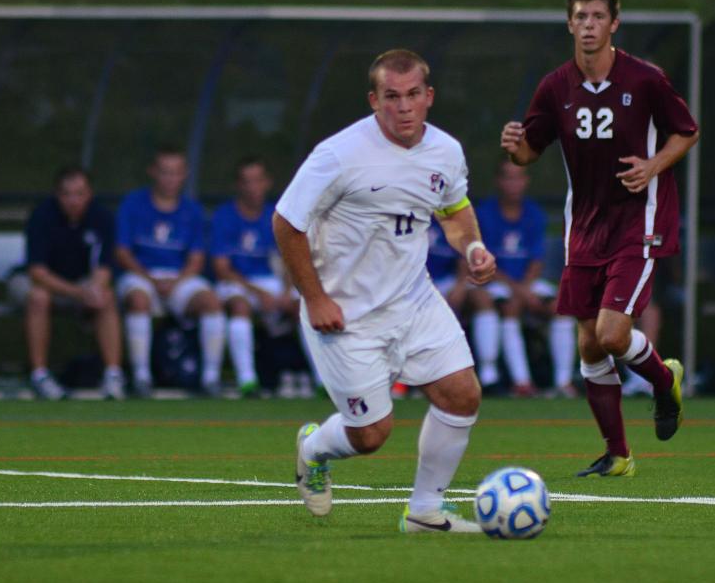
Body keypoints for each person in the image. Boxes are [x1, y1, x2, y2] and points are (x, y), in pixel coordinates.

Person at [277, 48, 496, 532]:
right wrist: (314, 297)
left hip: (413, 301)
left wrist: (473, 247)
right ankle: (313, 449)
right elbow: (286, 222)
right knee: (372, 434)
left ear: (429, 96)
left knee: (462, 395)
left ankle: (424, 512)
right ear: (373, 101)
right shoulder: (338, 155)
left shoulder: (446, 151)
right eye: (392, 97)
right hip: (345, 315)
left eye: (414, 94)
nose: (404, 107)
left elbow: (454, 209)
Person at [501, 0, 698, 478]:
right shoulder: (554, 86)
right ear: (569, 24)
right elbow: (528, 152)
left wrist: (653, 166)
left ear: (614, 23)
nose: (588, 26)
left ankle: (662, 381)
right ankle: (619, 455)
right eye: (580, 17)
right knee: (589, 345)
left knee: (612, 334)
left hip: (639, 220)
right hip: (584, 228)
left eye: (597, 17)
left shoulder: (645, 79)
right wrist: (513, 145)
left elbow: (687, 131)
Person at [115, 147, 226, 397]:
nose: (170, 179)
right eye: (165, 172)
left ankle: (210, 379)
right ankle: (142, 378)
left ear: (184, 174)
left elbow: (196, 259)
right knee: (139, 300)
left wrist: (175, 282)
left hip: (178, 278)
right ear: (153, 172)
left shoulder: (193, 209)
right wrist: (150, 279)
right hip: (141, 276)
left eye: (176, 173)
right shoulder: (133, 203)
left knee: (211, 302)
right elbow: (122, 252)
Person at [13, 166, 125, 400]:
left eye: (79, 193)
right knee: (38, 298)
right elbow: (37, 272)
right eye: (67, 194)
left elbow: (105, 266)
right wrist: (78, 293)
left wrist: (94, 290)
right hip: (44, 283)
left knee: (106, 297)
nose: (73, 200)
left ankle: (113, 375)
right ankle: (40, 375)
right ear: (57, 194)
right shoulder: (42, 216)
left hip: (80, 283)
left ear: (90, 194)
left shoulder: (102, 217)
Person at [470, 161, 576, 398]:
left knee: (562, 306)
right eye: (509, 177)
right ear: (498, 181)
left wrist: (525, 289)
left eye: (519, 177)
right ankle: (518, 381)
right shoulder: (484, 214)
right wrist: (520, 292)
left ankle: (563, 382)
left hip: (525, 283)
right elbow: (481, 259)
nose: (514, 183)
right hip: (493, 282)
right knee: (506, 306)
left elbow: (536, 260)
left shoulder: (534, 214)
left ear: (526, 181)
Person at [210, 157, 298, 397]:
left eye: (257, 181)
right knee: (239, 306)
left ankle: (325, 382)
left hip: (272, 282)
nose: (253, 187)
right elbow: (222, 269)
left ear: (267, 183)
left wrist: (286, 291)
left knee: (306, 305)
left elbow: (292, 259)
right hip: (238, 283)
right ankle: (247, 381)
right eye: (247, 182)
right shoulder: (224, 215)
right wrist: (260, 294)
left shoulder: (278, 215)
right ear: (238, 185)